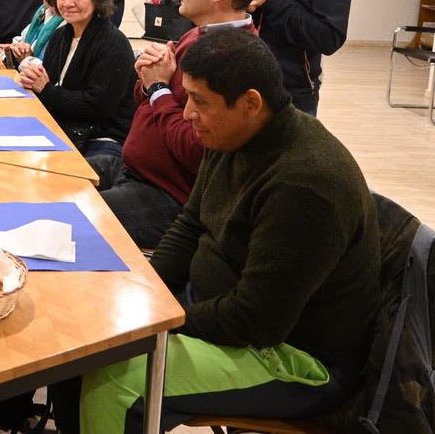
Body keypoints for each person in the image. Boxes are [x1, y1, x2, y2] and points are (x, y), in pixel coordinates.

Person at [78, 29, 381, 432]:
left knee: (115, 379)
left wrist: (159, 319)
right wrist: (146, 292)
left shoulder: (304, 183)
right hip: (223, 313)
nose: (188, 113)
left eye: (200, 102)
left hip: (294, 357)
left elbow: (257, 321)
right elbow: (190, 225)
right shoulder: (232, 135)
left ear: (251, 103)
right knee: (83, 337)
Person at [89, 0, 258, 249]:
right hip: (135, 169)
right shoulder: (198, 33)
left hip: (167, 193)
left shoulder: (232, 55)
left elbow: (197, 150)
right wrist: (148, 78)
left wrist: (157, 88)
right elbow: (149, 99)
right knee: (58, 178)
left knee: (76, 216)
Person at [17, 0, 136, 158]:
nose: (67, 3)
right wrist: (32, 80)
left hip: (102, 136)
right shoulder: (60, 36)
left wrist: (45, 89)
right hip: (68, 124)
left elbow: (96, 107)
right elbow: (49, 85)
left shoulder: (114, 44)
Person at [0, 0, 66, 66]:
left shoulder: (67, 24)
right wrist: (17, 49)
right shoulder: (43, 12)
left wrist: (25, 59)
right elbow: (21, 40)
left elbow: (48, 69)